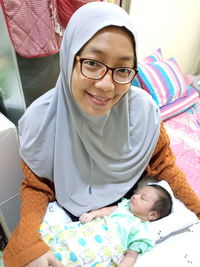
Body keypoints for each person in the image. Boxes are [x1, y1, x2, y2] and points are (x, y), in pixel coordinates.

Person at [3, 2, 200, 267]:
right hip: (75, 215)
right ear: (70, 57)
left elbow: (165, 165)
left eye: (122, 69)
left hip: (128, 207)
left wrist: (198, 210)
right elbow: (37, 185)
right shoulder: (41, 121)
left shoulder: (143, 112)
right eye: (93, 63)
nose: (106, 86)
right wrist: (27, 238)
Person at [39, 184, 173, 267]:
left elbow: (131, 256)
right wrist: (92, 215)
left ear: (153, 215)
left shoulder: (142, 232)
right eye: (137, 193)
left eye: (142, 198)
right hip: (92, 229)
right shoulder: (124, 206)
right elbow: (106, 211)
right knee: (66, 237)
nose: (135, 196)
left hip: (106, 245)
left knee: (83, 255)